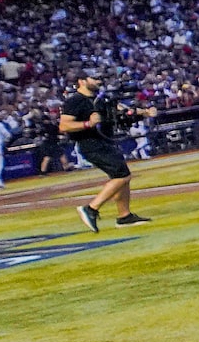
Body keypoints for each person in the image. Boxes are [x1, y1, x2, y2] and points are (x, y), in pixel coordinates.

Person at [61, 72, 150, 232]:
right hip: (90, 143)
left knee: (122, 176)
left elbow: (121, 110)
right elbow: (64, 126)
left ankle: (124, 216)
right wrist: (88, 124)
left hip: (105, 142)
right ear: (82, 81)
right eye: (94, 78)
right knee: (122, 175)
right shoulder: (75, 101)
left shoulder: (99, 100)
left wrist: (144, 112)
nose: (98, 81)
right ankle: (91, 208)